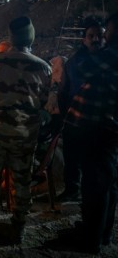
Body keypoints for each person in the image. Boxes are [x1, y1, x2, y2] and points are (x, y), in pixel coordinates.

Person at [0, 16, 51, 244]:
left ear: (11, 37)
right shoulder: (43, 68)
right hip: (24, 136)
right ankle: (19, 225)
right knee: (22, 180)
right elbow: (43, 102)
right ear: (31, 37)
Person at [60, 12, 118, 254]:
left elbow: (82, 67)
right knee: (105, 183)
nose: (102, 36)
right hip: (99, 128)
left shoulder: (112, 54)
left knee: (95, 185)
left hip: (99, 129)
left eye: (107, 30)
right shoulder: (109, 55)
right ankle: (101, 232)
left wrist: (82, 53)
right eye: (93, 35)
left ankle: (90, 240)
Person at [57, 18, 104, 202]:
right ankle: (72, 189)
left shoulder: (110, 62)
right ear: (84, 40)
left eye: (99, 36)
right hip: (75, 120)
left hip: (101, 123)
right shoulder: (74, 63)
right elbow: (63, 91)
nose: (95, 39)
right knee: (72, 158)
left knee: (96, 164)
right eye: (91, 36)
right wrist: (65, 116)